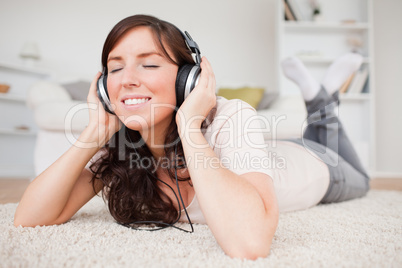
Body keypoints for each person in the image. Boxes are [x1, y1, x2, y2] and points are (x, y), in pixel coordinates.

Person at [14, 14, 369, 260]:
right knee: (324, 129)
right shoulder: (119, 144)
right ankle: (321, 97)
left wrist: (189, 126)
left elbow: (249, 244)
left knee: (354, 167)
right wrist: (94, 131)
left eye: (149, 64)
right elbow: (28, 219)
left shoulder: (231, 115)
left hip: (317, 165)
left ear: (190, 79)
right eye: (115, 67)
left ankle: (323, 100)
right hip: (269, 153)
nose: (126, 79)